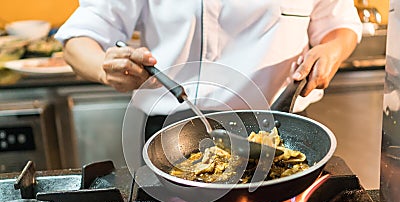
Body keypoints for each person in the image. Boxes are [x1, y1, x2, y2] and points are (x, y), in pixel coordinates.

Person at [55, 1, 362, 140]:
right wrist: (103, 67)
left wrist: (331, 50)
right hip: (172, 135)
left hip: (282, 130)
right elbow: (79, 38)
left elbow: (339, 25)